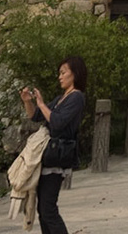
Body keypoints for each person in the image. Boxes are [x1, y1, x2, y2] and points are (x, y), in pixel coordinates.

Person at [21, 55, 88, 234]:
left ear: (75, 73)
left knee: (48, 208)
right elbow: (35, 116)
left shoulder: (76, 97)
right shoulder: (61, 98)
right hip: (48, 155)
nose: (60, 77)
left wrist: (41, 103)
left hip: (57, 156)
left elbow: (57, 123)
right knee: (43, 209)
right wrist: (28, 101)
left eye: (63, 72)